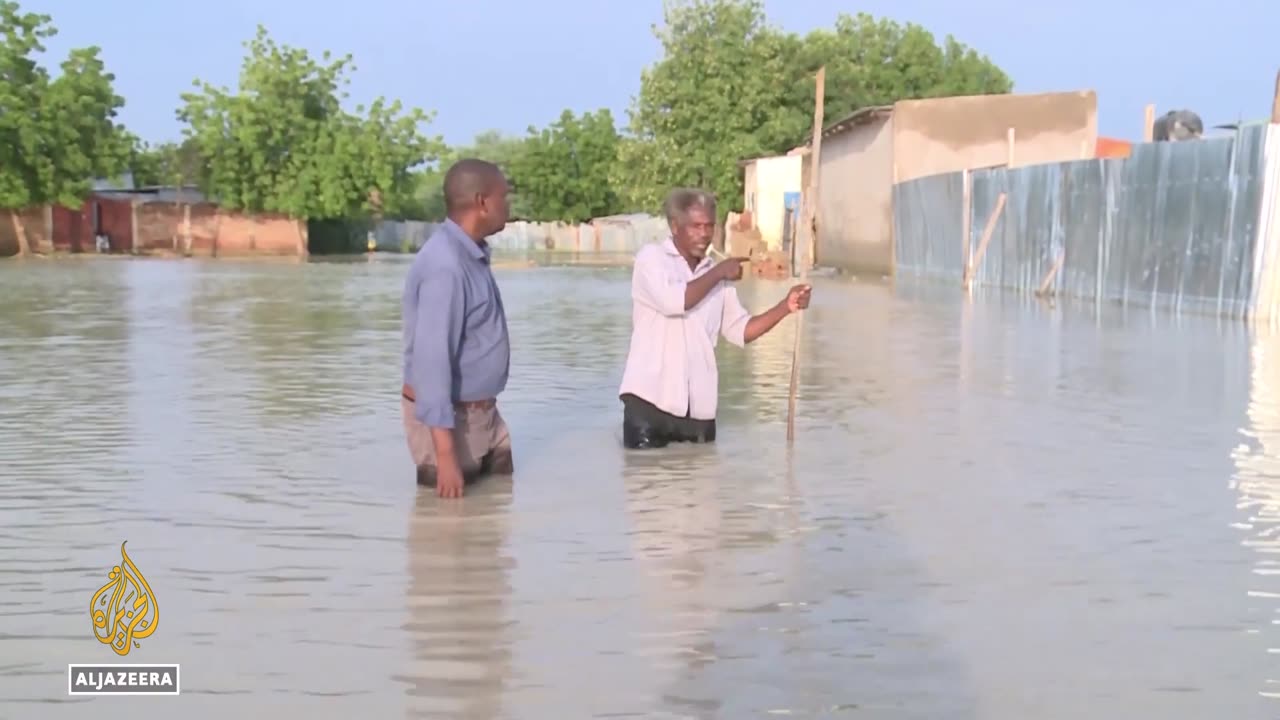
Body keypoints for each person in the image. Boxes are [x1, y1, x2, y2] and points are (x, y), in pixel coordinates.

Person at [617, 188, 812, 449]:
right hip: (650, 404)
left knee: (704, 484)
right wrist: (720, 271)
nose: (704, 234)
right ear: (675, 226)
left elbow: (740, 330)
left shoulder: (714, 273)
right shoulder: (652, 259)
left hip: (699, 412)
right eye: (695, 226)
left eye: (709, 226)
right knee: (649, 483)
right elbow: (674, 301)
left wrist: (786, 306)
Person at [401, 158, 514, 498]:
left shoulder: (471, 254)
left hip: (485, 416)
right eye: (503, 197)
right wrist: (445, 454)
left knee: (496, 516)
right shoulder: (445, 266)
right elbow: (432, 362)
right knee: (447, 538)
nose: (507, 205)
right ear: (482, 202)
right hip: (450, 426)